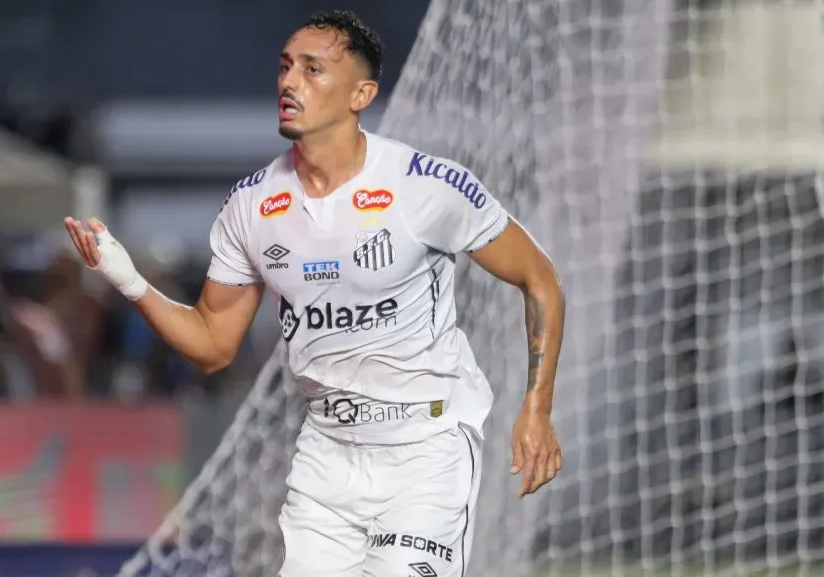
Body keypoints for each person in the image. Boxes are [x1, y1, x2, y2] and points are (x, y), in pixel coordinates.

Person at [65, 10, 565, 577]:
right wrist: (127, 278)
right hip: (326, 456)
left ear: (361, 93)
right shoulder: (252, 207)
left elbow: (539, 278)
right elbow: (212, 344)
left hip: (425, 450)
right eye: (284, 68)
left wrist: (537, 408)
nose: (288, 82)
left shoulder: (425, 186)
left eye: (312, 69)